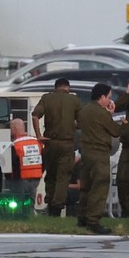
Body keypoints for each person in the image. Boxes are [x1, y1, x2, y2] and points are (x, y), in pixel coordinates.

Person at [30, 77, 81, 218]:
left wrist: (39, 136)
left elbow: (35, 116)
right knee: (63, 177)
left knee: (51, 176)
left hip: (50, 143)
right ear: (68, 88)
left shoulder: (47, 98)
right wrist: (72, 124)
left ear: (56, 87)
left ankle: (50, 205)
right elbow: (81, 122)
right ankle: (56, 209)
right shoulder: (74, 101)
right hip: (67, 144)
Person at [75, 83, 119, 234]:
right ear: (102, 97)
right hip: (99, 154)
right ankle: (93, 221)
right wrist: (111, 115)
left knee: (86, 187)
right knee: (99, 186)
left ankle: (82, 217)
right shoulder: (102, 113)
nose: (109, 100)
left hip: (86, 153)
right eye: (109, 97)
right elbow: (114, 131)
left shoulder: (84, 111)